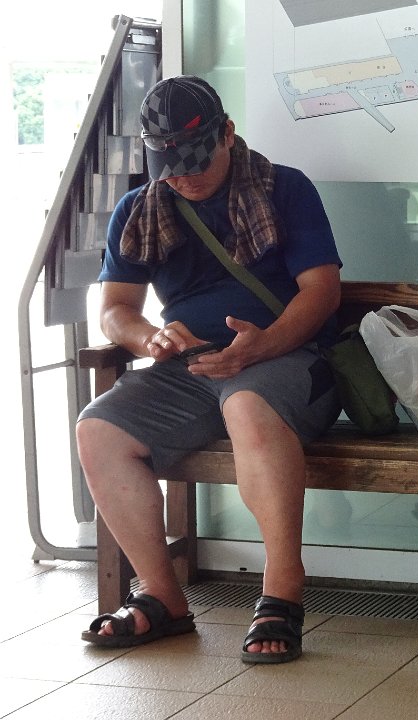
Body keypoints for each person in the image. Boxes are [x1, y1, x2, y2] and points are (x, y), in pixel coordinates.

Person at [75, 75, 343, 664]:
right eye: (170, 166)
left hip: (289, 357)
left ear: (227, 133)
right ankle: (162, 597)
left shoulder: (284, 189)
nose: (185, 177)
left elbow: (322, 292)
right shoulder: (139, 209)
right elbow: (115, 310)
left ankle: (282, 591)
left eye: (196, 161)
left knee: (247, 405)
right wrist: (149, 337)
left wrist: (261, 346)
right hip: (191, 366)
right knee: (97, 430)